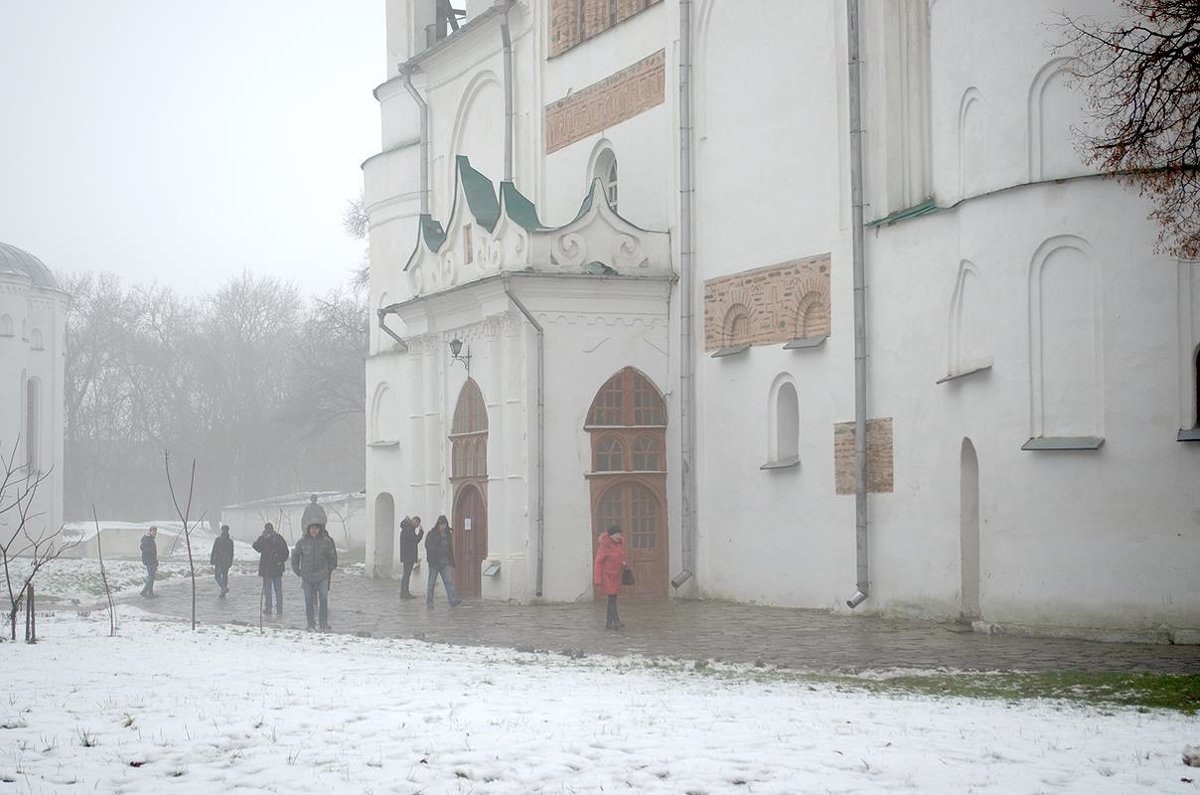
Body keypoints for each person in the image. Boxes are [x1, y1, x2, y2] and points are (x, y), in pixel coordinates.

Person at [292, 522, 338, 631]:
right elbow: (295, 557)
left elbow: (333, 559)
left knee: (323, 599)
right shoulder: (302, 542)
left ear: (319, 529)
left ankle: (323, 623)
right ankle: (310, 624)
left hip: (322, 576)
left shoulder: (326, 542)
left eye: (316, 528)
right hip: (307, 576)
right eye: (311, 528)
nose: (314, 530)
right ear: (308, 529)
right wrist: (298, 571)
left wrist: (327, 571)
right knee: (308, 600)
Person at [593, 524, 627, 630]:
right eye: (616, 534)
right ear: (611, 535)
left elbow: (618, 557)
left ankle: (615, 620)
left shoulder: (618, 544)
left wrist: (623, 564)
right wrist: (597, 579)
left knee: (613, 599)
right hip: (608, 577)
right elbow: (598, 562)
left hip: (616, 576)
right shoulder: (605, 546)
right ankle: (609, 623)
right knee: (611, 599)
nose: (619, 536)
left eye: (619, 534)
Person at [252, 522, 289, 617]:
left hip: (275, 569)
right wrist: (262, 537)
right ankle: (269, 608)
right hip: (267, 570)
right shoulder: (264, 539)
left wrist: (279, 560)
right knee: (268, 591)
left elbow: (285, 553)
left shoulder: (278, 539)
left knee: (277, 591)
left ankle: (278, 609)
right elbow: (256, 547)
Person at [424, 514, 461, 608]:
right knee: (431, 583)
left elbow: (449, 548)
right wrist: (437, 551)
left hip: (444, 562)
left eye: (444, 525)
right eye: (441, 525)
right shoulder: (432, 534)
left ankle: (453, 600)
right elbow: (428, 545)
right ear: (438, 524)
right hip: (434, 562)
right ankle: (429, 602)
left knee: (449, 581)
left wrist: (450, 558)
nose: (443, 527)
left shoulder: (448, 534)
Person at [398, 515, 424, 599]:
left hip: (406, 555)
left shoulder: (406, 528)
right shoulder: (409, 529)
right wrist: (421, 532)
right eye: (417, 524)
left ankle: (403, 592)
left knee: (406, 574)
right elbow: (415, 540)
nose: (417, 526)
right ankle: (405, 593)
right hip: (408, 555)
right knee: (406, 574)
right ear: (414, 521)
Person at [210, 525, 235, 597]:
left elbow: (214, 550)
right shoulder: (230, 541)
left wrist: (212, 559)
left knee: (217, 576)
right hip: (226, 561)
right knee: (225, 576)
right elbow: (231, 553)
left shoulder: (218, 540)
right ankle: (223, 590)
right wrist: (231, 561)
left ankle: (223, 588)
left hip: (219, 560)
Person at [140, 525, 159, 598]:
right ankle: (144, 592)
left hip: (152, 560)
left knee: (152, 576)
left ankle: (150, 593)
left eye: (156, 531)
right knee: (151, 576)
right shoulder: (147, 538)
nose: (155, 533)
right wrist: (150, 552)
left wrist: (155, 560)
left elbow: (154, 552)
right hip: (149, 560)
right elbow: (142, 547)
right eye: (153, 531)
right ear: (150, 531)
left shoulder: (151, 539)